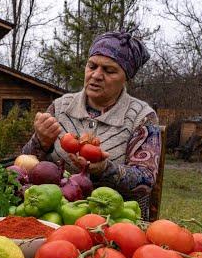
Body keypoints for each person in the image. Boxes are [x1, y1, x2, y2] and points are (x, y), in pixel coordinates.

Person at [22, 31, 161, 220]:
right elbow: (25, 163)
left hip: (112, 219)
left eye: (109, 70)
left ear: (125, 77)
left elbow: (146, 179)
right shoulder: (61, 107)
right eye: (92, 66)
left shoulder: (141, 117)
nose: (96, 75)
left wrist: (105, 169)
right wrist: (40, 141)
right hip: (54, 214)